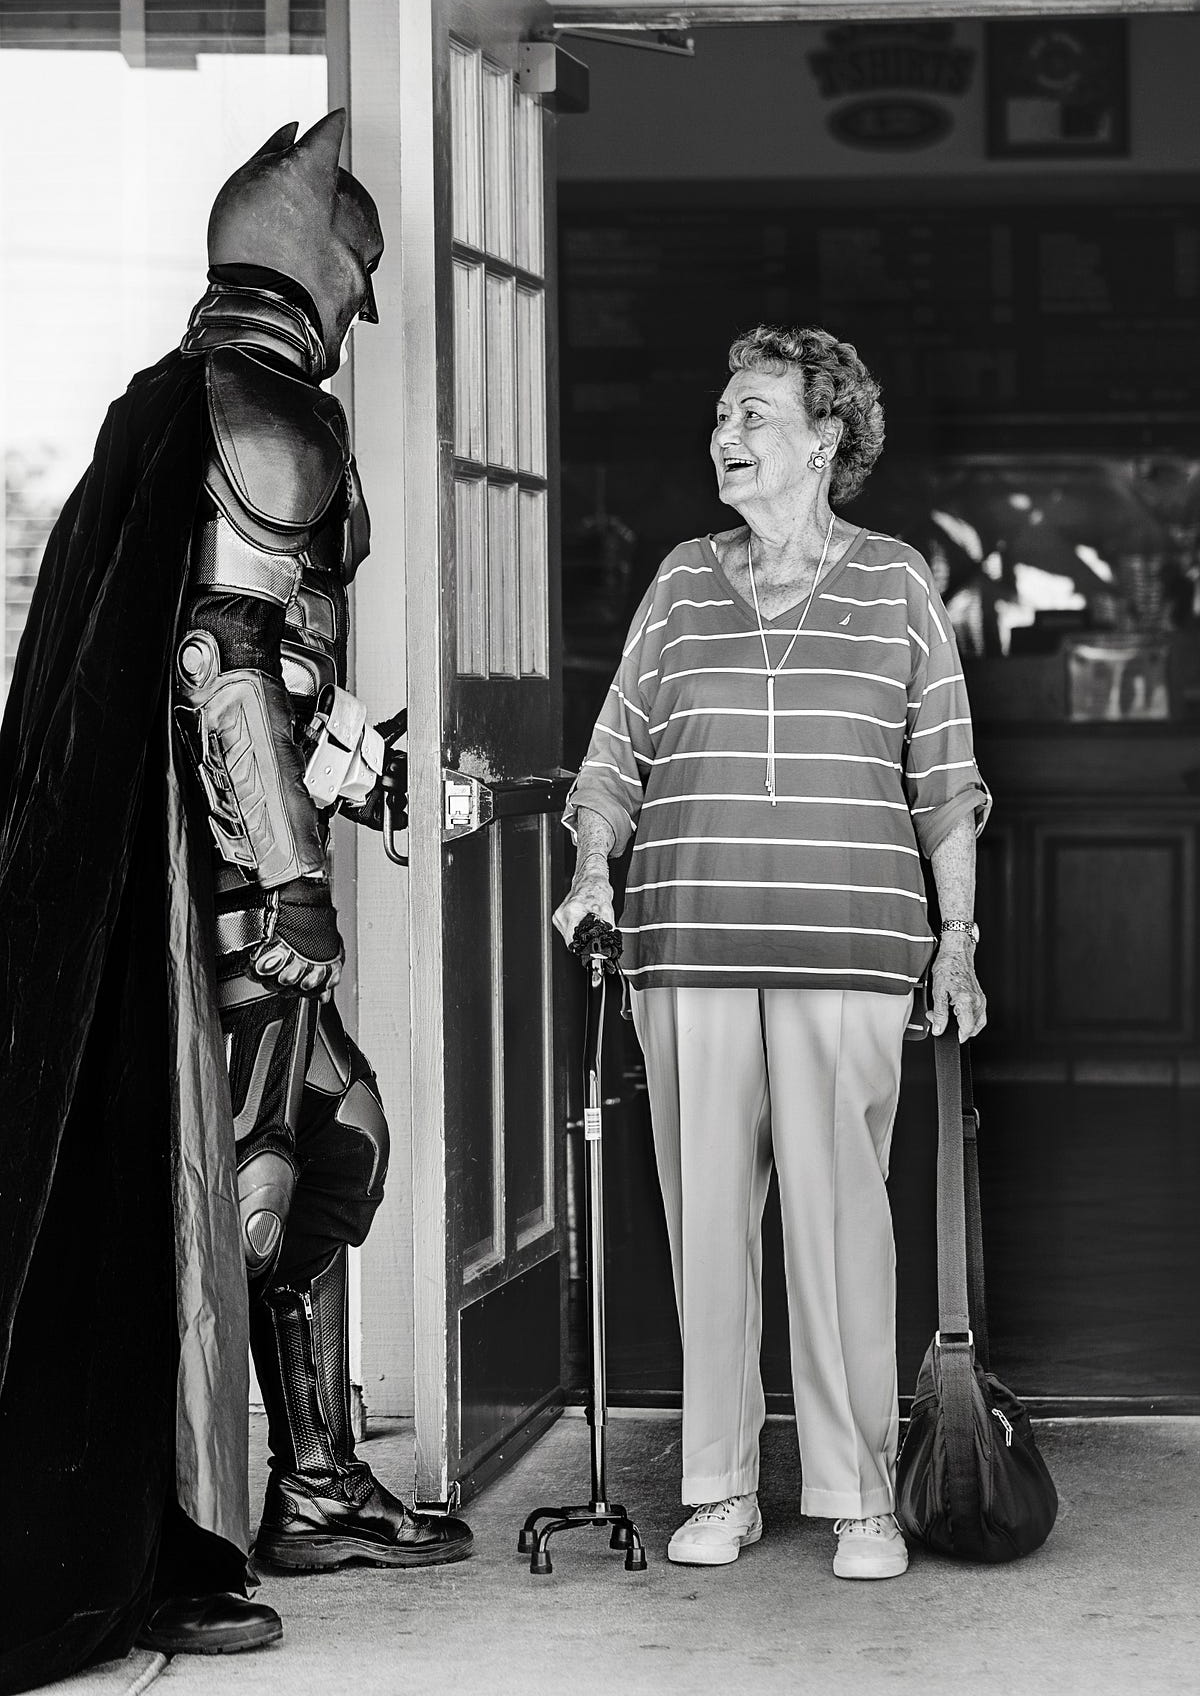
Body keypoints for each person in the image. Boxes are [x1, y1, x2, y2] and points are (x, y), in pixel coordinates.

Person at [0, 112, 469, 1694]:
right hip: (224, 902)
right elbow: (227, 671)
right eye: (357, 270)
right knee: (260, 1180)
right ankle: (188, 1532)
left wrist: (362, 786)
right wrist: (288, 885)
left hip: (198, 881)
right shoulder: (263, 415)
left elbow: (260, 679)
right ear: (314, 264)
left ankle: (312, 1483)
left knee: (326, 1145)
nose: (361, 304)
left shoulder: (172, 407)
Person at [555, 323, 988, 1582]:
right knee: (707, 1228)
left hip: (850, 949)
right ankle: (722, 1486)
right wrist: (592, 871)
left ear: (826, 439)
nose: (726, 435)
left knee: (842, 1224)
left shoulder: (896, 584)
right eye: (720, 414)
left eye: (754, 413)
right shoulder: (681, 583)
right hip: (687, 945)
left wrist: (957, 943)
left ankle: (861, 1497)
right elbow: (612, 760)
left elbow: (947, 784)